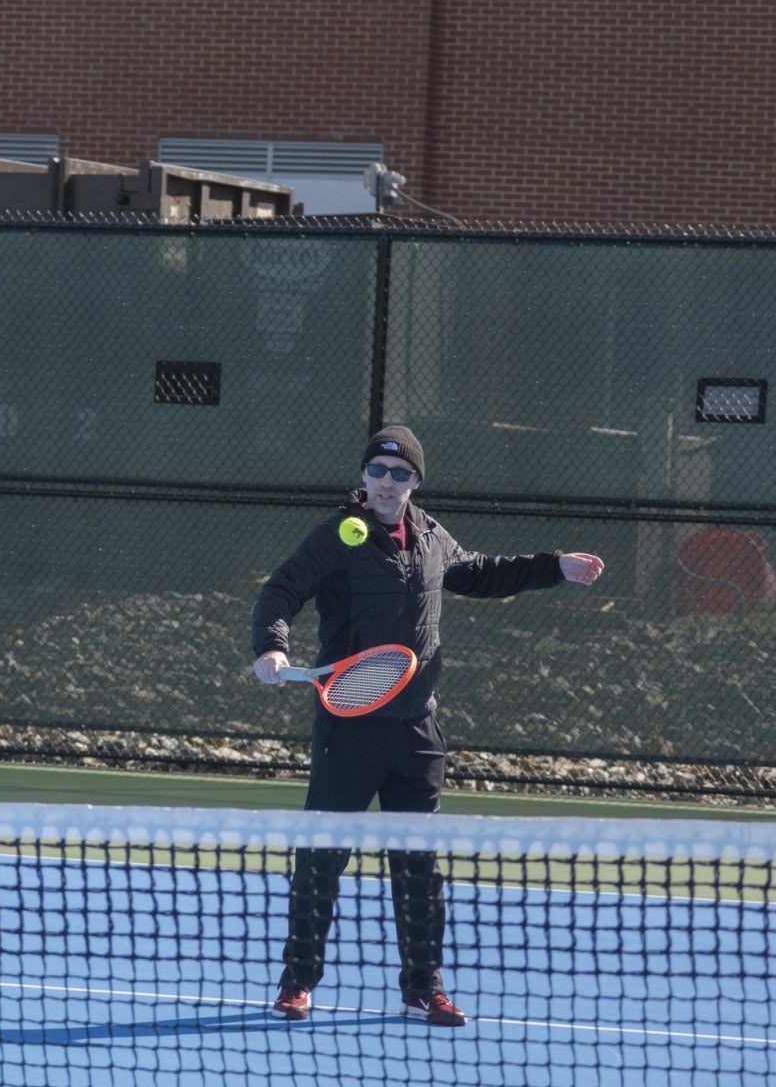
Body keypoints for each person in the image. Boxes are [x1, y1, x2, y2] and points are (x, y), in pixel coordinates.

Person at [252, 425, 604, 1027]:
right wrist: (271, 648)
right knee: (322, 858)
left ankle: (424, 987)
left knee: (419, 865)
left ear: (415, 482)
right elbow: (282, 591)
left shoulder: (431, 537)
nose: (388, 484)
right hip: (350, 727)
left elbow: (483, 572)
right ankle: (297, 981)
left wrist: (555, 567)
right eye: (378, 472)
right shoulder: (337, 534)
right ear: (364, 477)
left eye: (401, 474)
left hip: (418, 732)